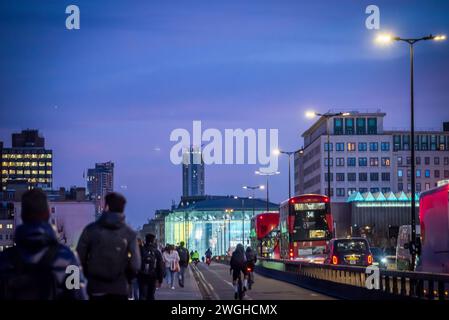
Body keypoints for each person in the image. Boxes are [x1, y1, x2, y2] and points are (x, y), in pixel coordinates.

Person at [0, 188, 88, 300]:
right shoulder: (66, 257)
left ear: (22, 216)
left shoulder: (4, 260)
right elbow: (78, 296)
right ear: (48, 214)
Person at [76, 192, 141, 300]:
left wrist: (90, 274)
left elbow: (79, 258)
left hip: (96, 287)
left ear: (107, 206)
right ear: (123, 208)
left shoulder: (91, 230)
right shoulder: (129, 233)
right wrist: (125, 278)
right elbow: (136, 265)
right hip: (119, 288)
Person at [138, 233, 164, 300]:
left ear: (145, 240)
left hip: (142, 275)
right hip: (153, 276)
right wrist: (160, 279)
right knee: (151, 294)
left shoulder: (140, 250)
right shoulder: (157, 252)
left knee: (142, 294)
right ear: (153, 241)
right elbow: (160, 266)